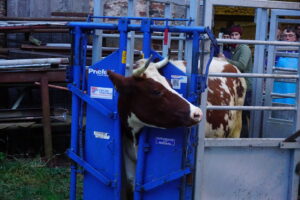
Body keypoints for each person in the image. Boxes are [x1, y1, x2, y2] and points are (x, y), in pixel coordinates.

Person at [219, 25, 253, 137]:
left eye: (236, 35)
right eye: (232, 35)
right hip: (238, 87)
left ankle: (248, 138)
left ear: (240, 35)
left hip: (246, 86)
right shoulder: (235, 49)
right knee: (239, 115)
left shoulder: (244, 48)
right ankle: (241, 137)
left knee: (245, 115)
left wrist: (225, 60)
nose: (234, 37)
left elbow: (242, 65)